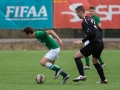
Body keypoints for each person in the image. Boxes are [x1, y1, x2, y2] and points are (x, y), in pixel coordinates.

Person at [73, 6, 108, 84]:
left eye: (77, 13)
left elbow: (90, 33)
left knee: (76, 56)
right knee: (95, 61)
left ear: (80, 12)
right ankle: (104, 80)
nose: (77, 15)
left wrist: (81, 41)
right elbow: (99, 29)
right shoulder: (91, 19)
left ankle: (82, 75)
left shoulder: (84, 22)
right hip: (100, 43)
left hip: (94, 44)